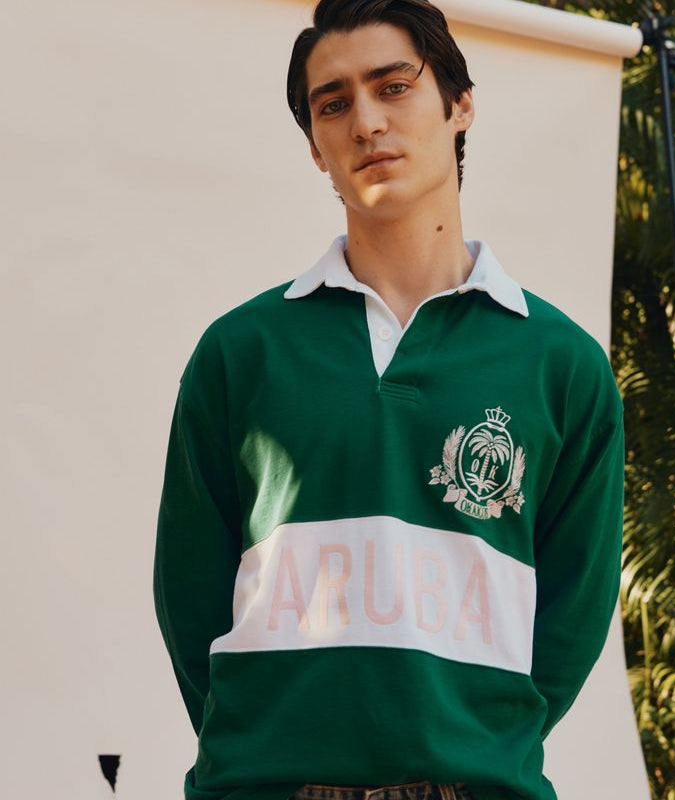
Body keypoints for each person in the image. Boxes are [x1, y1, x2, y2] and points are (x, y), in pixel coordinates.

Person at [153, 2, 625, 800]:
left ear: (459, 102)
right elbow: (188, 597)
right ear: (315, 147)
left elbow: (572, 618)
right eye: (332, 104)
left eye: (393, 86)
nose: (366, 121)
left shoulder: (563, 367)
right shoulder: (240, 354)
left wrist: (468, 750)